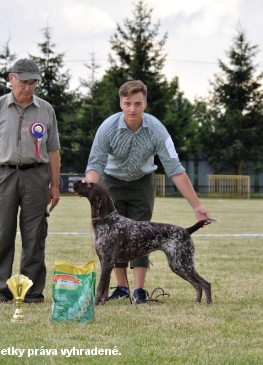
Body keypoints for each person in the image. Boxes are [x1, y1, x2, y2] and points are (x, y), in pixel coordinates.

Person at [84, 80, 211, 305]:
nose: (132, 109)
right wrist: (92, 195)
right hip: (111, 181)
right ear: (121, 103)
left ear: (145, 104)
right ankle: (122, 288)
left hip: (143, 182)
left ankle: (139, 291)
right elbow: (95, 164)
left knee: (141, 231)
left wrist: (197, 206)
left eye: (138, 103)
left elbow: (175, 169)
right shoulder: (107, 128)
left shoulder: (157, 129)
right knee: (114, 236)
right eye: (128, 103)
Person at [0, 58, 60, 304]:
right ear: (11, 78)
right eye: (24, 82)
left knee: (35, 236)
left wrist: (54, 186)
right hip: (2, 175)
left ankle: (31, 291)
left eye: (33, 83)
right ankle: (0, 291)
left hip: (36, 176)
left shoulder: (46, 110)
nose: (28, 87)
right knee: (0, 235)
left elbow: (53, 150)